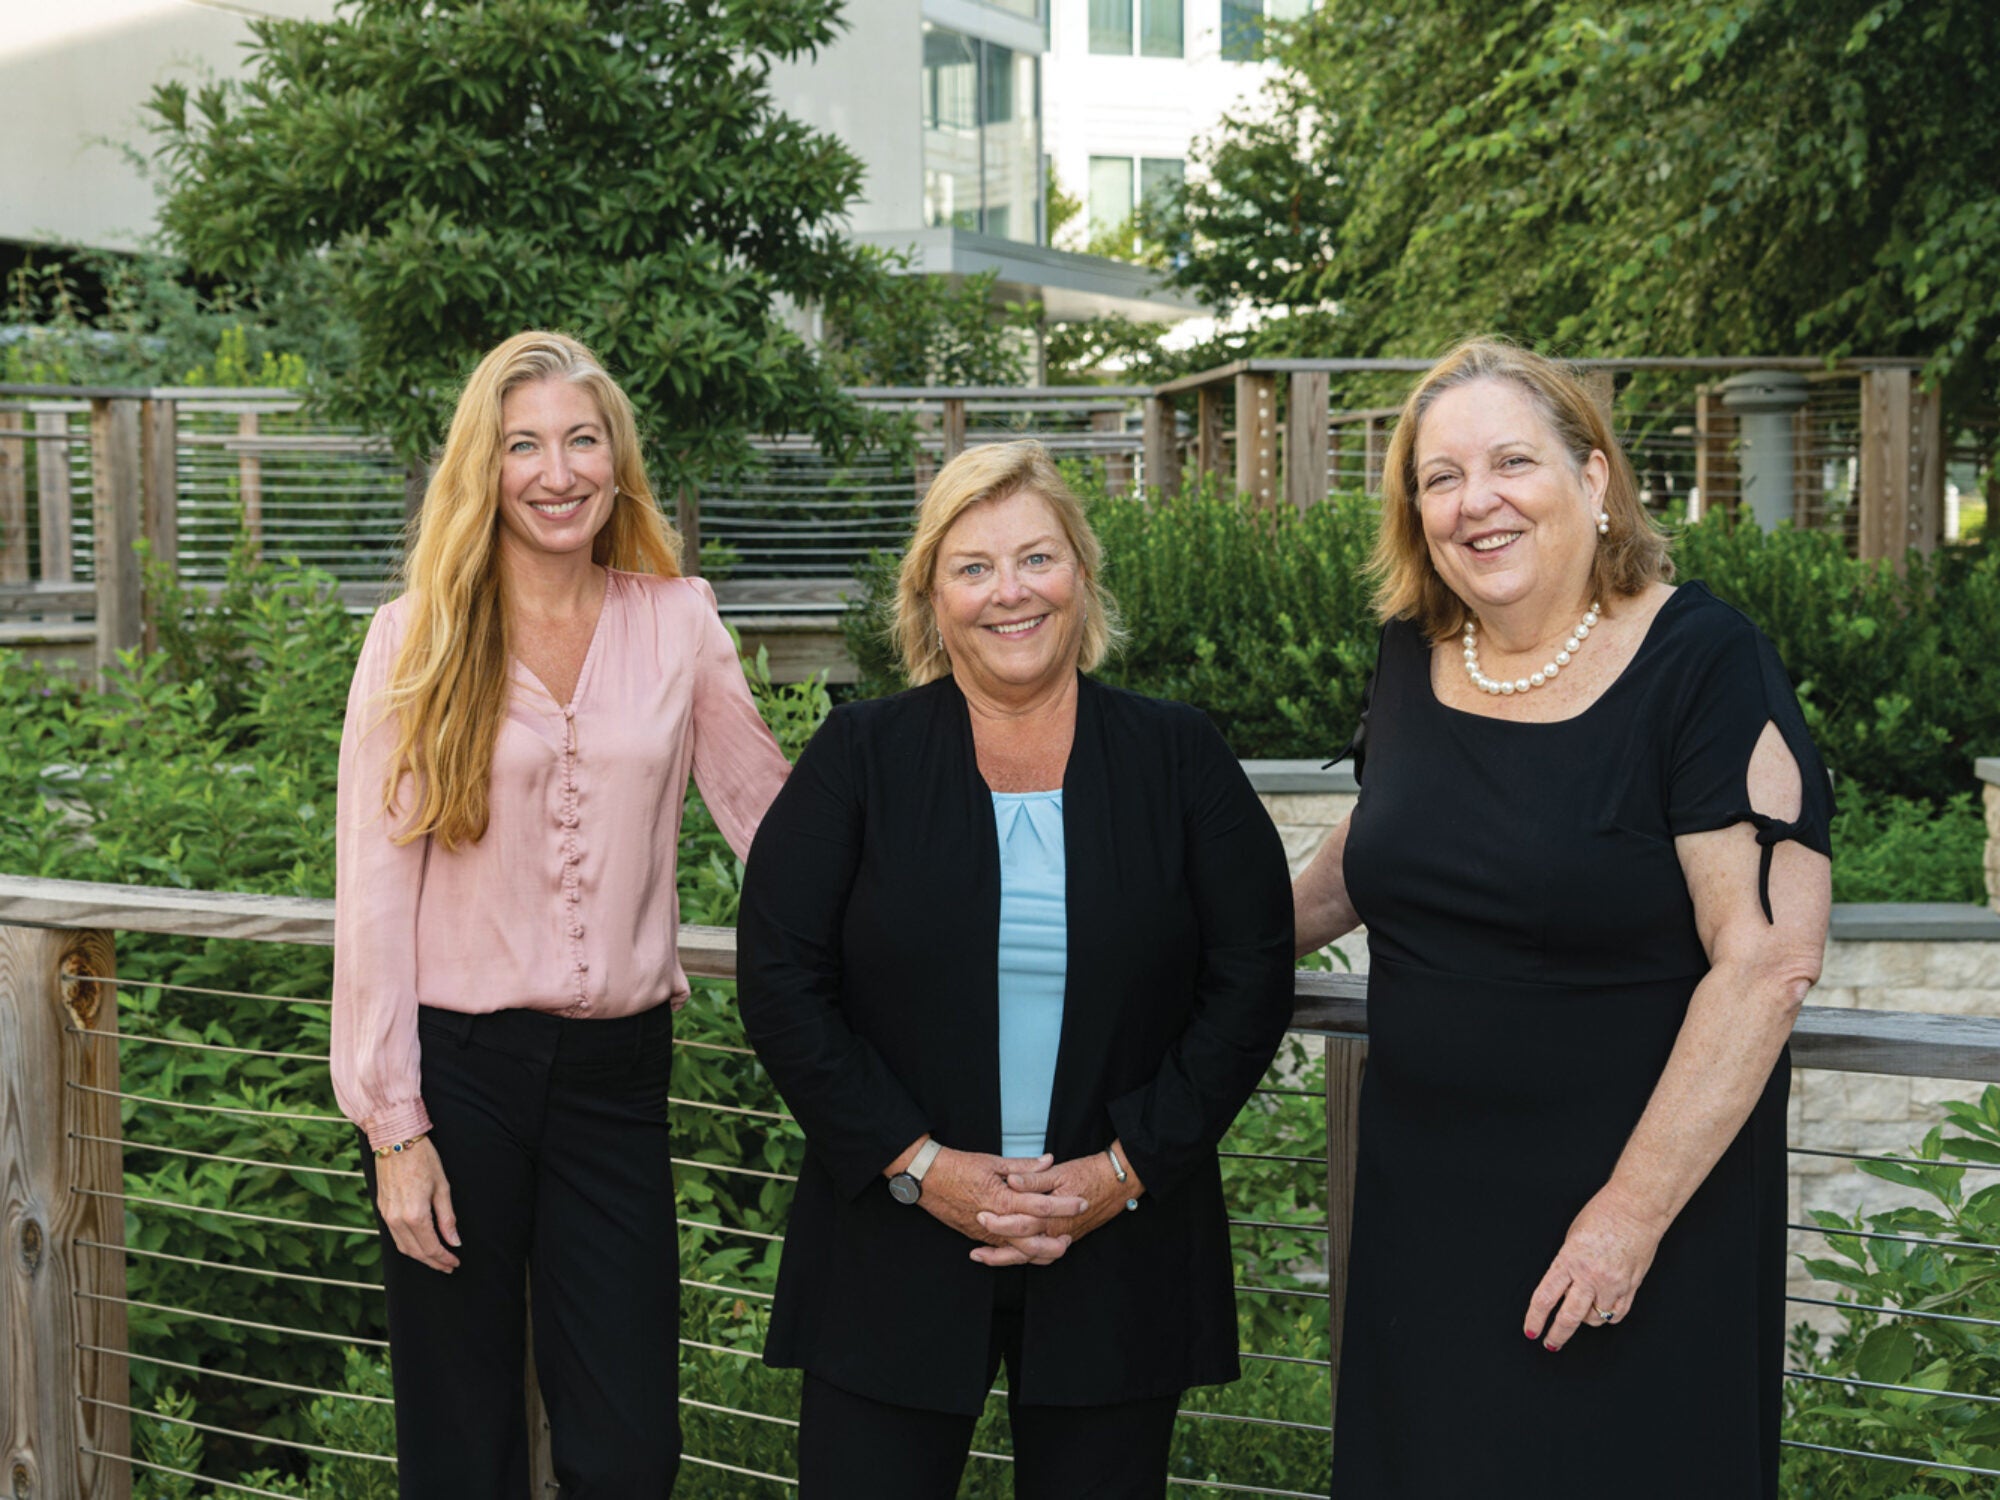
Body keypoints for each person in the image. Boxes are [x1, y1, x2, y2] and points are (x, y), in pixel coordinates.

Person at [1293, 339, 1833, 1496]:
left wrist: (1624, 1217)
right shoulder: (1410, 653)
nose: (1472, 501)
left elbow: (1766, 962)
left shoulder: (1703, 662)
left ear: (1592, 482)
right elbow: (1369, 854)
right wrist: (1177, 938)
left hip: (1629, 1225)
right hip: (1423, 1220)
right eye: (1438, 478)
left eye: (1508, 462)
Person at [736, 440, 1295, 1498]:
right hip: (892, 1241)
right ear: (931, 597)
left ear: (1080, 573)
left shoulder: (1178, 759)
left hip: (1118, 1242)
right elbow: (780, 978)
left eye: (1035, 558)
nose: (1009, 594)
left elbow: (1249, 977)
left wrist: (1123, 1170)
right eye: (972, 566)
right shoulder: (858, 757)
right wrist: (916, 1164)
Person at [331, 330, 789, 1497]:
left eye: (581, 440)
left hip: (616, 1083)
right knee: (459, 1439)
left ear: (616, 460)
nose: (556, 470)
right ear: (482, 468)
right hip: (460, 1076)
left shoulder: (677, 621)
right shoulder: (415, 639)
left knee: (628, 1446)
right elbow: (374, 901)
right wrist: (394, 1126)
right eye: (523, 444)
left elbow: (771, 826)